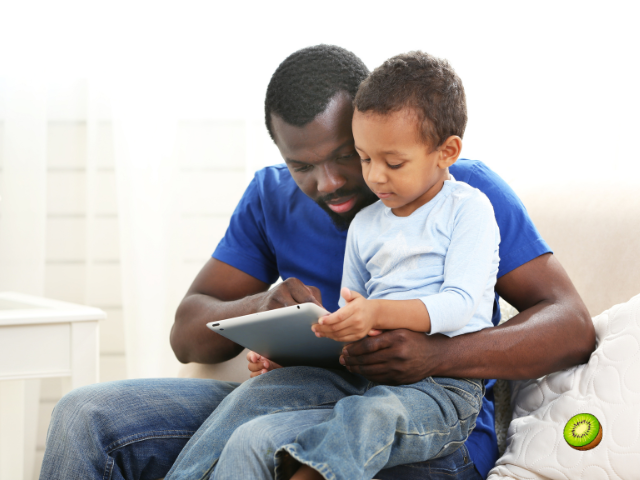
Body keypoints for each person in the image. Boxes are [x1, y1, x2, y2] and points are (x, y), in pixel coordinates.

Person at [39, 45, 594, 480]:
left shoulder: (463, 193)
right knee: (85, 415)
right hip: (316, 389)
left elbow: (569, 325)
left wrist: (433, 354)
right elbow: (188, 336)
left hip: (425, 417)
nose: (329, 184)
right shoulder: (270, 197)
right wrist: (264, 309)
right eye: (300, 165)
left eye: (343, 155)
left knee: (277, 442)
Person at [164, 50, 502, 480]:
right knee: (260, 393)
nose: (376, 177)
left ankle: (314, 472)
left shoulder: (468, 208)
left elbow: (461, 303)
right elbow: (350, 306)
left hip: (441, 389)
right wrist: (297, 345)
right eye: (365, 159)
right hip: (369, 377)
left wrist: (377, 313)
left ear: (446, 151)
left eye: (392, 163)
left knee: (371, 415)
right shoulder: (366, 223)